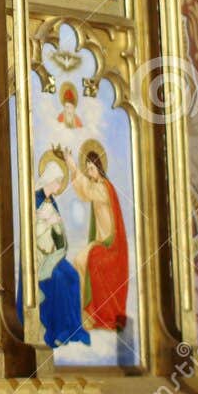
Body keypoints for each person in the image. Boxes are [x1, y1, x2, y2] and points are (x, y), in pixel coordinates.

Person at [32, 151, 90, 348]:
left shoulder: (51, 201)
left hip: (55, 255)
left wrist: (56, 224)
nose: (59, 186)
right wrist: (46, 222)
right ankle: (58, 329)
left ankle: (74, 327)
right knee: (58, 279)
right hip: (40, 257)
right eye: (58, 182)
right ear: (50, 180)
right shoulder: (35, 199)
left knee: (72, 276)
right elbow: (34, 232)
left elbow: (59, 231)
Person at [71, 142, 128, 331]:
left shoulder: (104, 188)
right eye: (87, 169)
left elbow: (87, 191)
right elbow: (84, 193)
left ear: (99, 168)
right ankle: (85, 313)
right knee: (79, 261)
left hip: (110, 244)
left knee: (86, 261)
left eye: (91, 169)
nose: (89, 172)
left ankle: (91, 314)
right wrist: (75, 171)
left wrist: (73, 167)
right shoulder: (98, 186)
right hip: (101, 241)